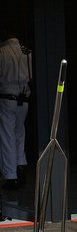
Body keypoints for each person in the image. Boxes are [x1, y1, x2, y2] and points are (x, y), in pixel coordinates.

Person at [0, 32, 32, 191]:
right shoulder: (26, 51)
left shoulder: (2, 52)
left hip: (7, 97)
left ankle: (10, 175)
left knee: (7, 137)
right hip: (23, 98)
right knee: (20, 133)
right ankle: (21, 167)